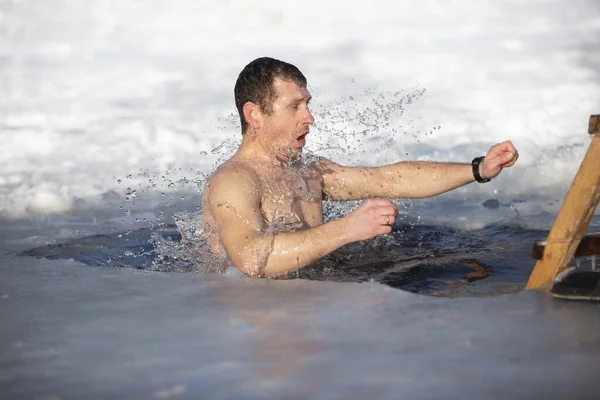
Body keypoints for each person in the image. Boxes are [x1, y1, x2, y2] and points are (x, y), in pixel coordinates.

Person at [199, 57, 519, 278]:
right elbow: (250, 259)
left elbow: (387, 179)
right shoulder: (234, 181)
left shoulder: (306, 171)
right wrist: (348, 229)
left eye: (308, 104)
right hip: (257, 315)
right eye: (295, 107)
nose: (309, 117)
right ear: (254, 115)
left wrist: (478, 169)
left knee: (466, 269)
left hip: (312, 292)